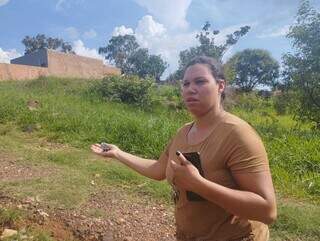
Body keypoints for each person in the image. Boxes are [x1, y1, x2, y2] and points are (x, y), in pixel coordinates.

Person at [91, 56, 277, 241]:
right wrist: (118, 153)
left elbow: (267, 211)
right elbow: (158, 169)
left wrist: (198, 184)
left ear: (220, 86)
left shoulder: (238, 134)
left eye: (200, 81)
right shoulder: (183, 132)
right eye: (186, 84)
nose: (190, 89)